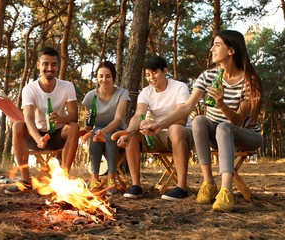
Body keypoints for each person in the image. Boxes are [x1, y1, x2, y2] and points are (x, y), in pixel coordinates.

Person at [142, 30, 263, 211]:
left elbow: (238, 121)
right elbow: (185, 108)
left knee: (224, 126)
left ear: (231, 50)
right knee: (198, 119)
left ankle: (226, 191)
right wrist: (159, 124)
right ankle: (209, 183)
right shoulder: (207, 77)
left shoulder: (249, 80)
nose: (211, 49)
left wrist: (221, 104)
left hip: (246, 135)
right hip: (218, 137)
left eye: (217, 45)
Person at [4, 47, 79, 195]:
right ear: (38, 65)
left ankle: (63, 179)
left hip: (58, 135)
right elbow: (28, 118)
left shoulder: (67, 86)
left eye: (53, 64)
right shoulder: (29, 89)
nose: (49, 68)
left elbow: (74, 115)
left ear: (58, 66)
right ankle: (25, 181)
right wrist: (38, 138)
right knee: (18, 125)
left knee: (74, 127)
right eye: (45, 64)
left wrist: (61, 118)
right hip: (35, 135)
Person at [117, 56, 194, 200]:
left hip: (181, 134)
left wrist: (158, 124)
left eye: (154, 72)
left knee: (175, 128)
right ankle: (136, 186)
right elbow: (138, 115)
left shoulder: (180, 87)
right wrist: (129, 132)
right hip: (157, 134)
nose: (151, 77)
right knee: (133, 134)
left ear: (165, 71)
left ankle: (181, 187)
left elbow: (182, 119)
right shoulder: (146, 92)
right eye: (147, 74)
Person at [82, 61, 130, 193]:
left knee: (109, 136)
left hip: (118, 131)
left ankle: (111, 178)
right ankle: (95, 178)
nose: (104, 80)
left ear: (113, 77)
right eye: (101, 76)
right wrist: (88, 122)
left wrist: (104, 131)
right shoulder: (90, 96)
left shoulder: (122, 93)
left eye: (108, 76)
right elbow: (88, 126)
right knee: (95, 136)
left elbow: (118, 119)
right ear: (97, 78)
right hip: (98, 131)